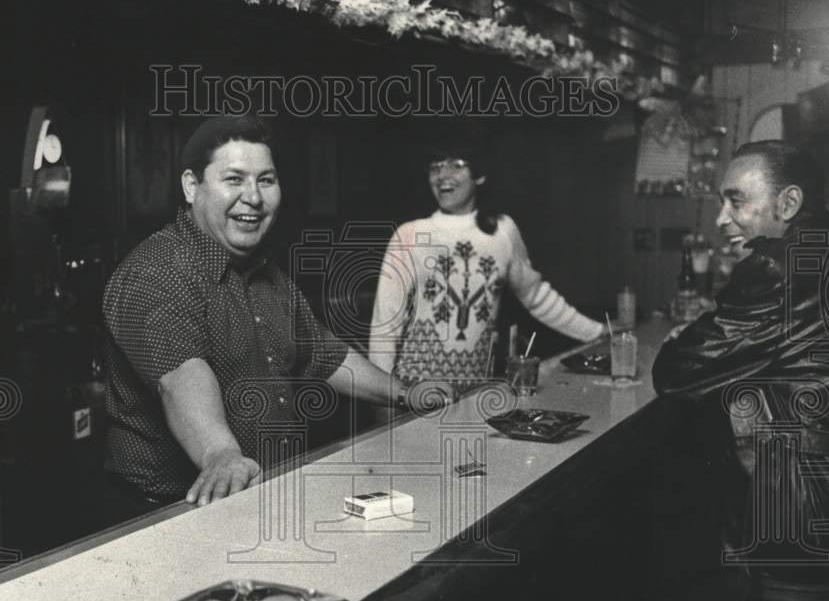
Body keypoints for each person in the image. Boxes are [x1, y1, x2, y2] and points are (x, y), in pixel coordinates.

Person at [101, 115, 453, 520]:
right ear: (191, 186)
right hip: (167, 513)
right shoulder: (155, 271)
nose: (253, 197)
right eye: (234, 179)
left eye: (265, 180)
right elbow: (180, 377)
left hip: (258, 496)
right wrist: (220, 453)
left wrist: (405, 393)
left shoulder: (268, 275)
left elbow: (324, 355)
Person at [652, 141, 829, 601]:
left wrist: (694, 342)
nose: (723, 218)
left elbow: (676, 371)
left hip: (788, 511)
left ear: (787, 204)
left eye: (736, 201)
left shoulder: (777, 268)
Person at [368, 144, 605, 397]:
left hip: (476, 394)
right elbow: (385, 323)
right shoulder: (410, 234)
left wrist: (600, 332)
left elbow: (537, 297)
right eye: (435, 167)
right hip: (414, 394)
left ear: (479, 175)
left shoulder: (502, 231)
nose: (442, 175)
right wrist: (385, 397)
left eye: (456, 165)